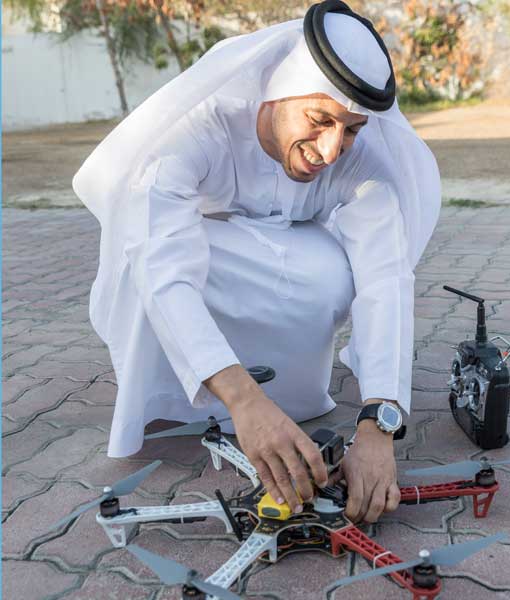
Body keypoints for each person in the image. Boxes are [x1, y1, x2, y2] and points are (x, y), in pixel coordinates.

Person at [72, 0, 441, 523]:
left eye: (352, 129)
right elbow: (167, 269)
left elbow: (386, 279)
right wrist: (245, 402)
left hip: (282, 263)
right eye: (320, 120)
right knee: (149, 257)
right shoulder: (195, 133)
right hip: (193, 263)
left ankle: (282, 402)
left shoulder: (360, 160)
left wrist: (378, 427)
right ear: (276, 93)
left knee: (336, 271)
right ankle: (189, 399)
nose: (333, 149)